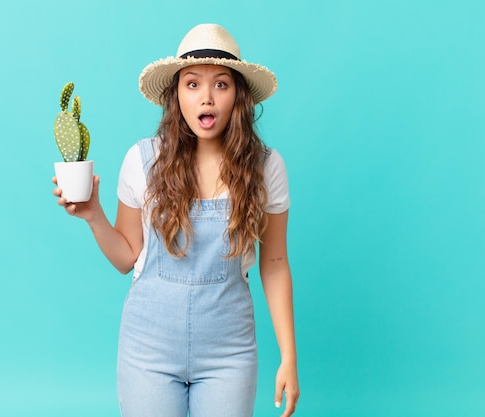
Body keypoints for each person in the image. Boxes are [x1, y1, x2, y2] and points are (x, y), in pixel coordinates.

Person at [53, 23, 300, 417]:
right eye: (192, 84)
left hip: (228, 354)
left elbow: (274, 264)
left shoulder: (266, 167)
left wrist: (289, 355)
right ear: (176, 96)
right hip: (147, 351)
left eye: (221, 84)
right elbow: (126, 258)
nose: (206, 97)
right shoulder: (142, 160)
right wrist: (93, 215)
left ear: (238, 95)